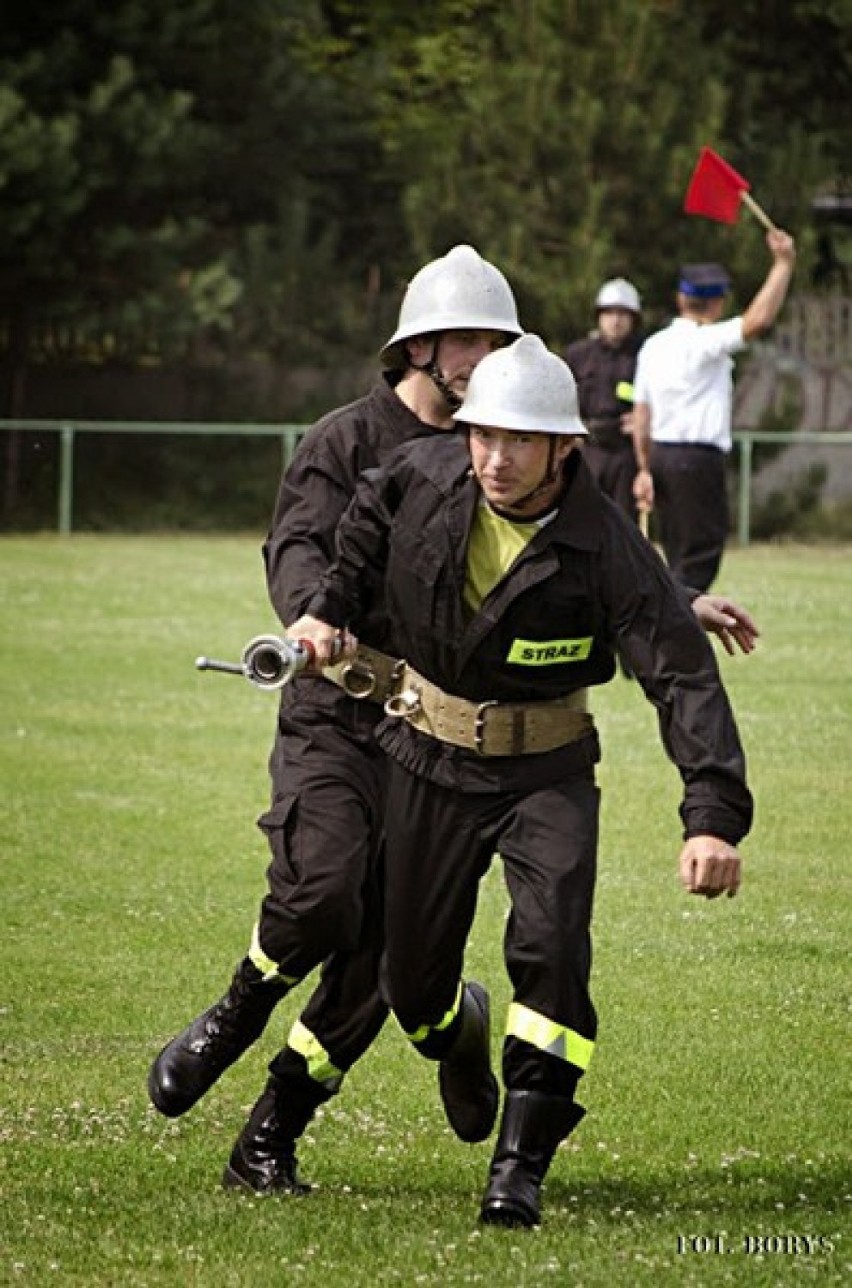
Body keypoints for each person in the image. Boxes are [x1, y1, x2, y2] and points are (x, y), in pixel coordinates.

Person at [289, 334, 753, 1229]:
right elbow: (358, 534)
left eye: (519, 442)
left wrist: (711, 818)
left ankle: (520, 1163)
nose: (495, 460)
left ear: (564, 448)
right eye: (482, 437)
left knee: (548, 948)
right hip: (426, 759)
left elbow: (679, 672)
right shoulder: (418, 477)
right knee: (412, 982)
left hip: (547, 773)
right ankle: (453, 1028)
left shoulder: (607, 541)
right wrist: (324, 613)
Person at [147, 245, 524, 1193]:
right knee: (324, 890)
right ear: (423, 346)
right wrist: (314, 615)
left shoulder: (499, 450)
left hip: (436, 735)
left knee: (384, 966)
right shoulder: (344, 439)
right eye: (473, 338)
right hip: (333, 711)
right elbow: (301, 547)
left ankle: (269, 1138)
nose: (488, 356)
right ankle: (236, 1013)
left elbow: (582, 546)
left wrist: (672, 601)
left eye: (497, 339)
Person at [632, 228, 797, 592]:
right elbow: (757, 321)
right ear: (718, 303)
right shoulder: (704, 342)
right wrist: (783, 265)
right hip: (696, 460)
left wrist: (644, 468)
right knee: (697, 560)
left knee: (676, 555)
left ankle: (671, 632)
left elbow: (641, 416)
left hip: (661, 454)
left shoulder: (652, 347)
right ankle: (675, 639)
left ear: (680, 298)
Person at [565, 277, 650, 523]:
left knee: (623, 523)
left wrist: (645, 421)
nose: (616, 320)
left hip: (625, 452)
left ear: (634, 319)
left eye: (623, 314)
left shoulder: (645, 356)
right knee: (581, 518)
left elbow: (664, 398)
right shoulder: (578, 355)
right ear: (598, 316)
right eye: (609, 312)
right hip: (586, 448)